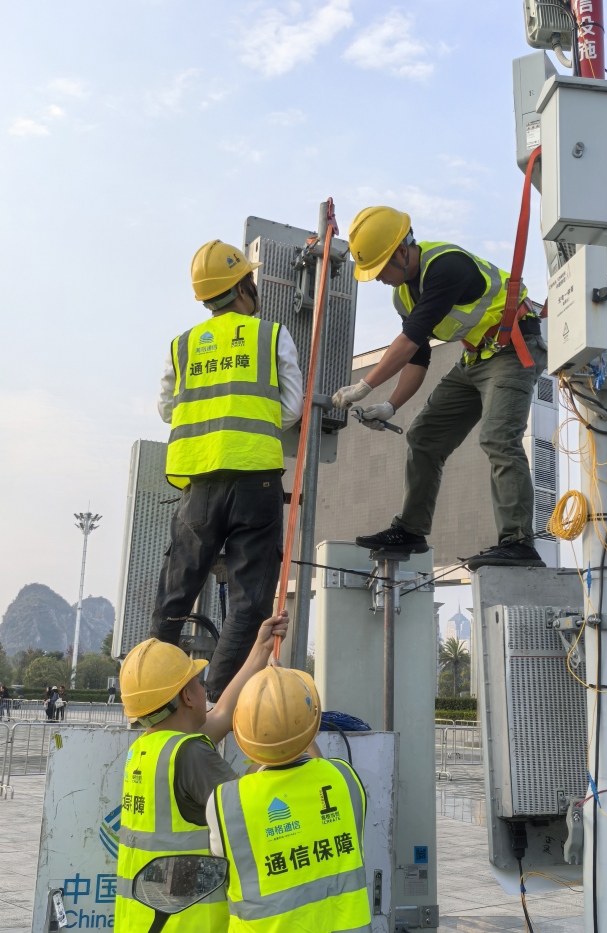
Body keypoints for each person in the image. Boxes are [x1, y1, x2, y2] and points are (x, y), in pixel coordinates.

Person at [332, 206, 548, 569]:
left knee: (498, 438)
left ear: (402, 252)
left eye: (380, 267)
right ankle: (410, 530)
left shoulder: (446, 266)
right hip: (476, 359)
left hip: (513, 349)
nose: (378, 278)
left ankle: (518, 542)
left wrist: (365, 386)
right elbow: (417, 357)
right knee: (424, 436)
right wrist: (391, 406)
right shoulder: (403, 296)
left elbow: (408, 341)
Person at [151, 240, 303, 702]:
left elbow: (166, 409)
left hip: (198, 485)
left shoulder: (182, 346)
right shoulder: (271, 335)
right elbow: (293, 408)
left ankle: (154, 694)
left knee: (176, 593)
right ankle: (217, 700)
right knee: (249, 600)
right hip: (256, 479)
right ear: (242, 287)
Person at [114, 611, 289, 932]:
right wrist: (278, 732)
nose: (202, 686)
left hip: (146, 923)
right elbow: (249, 809)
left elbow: (222, 713)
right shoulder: (190, 753)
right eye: (197, 681)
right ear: (187, 696)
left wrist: (261, 650)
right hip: (187, 923)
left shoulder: (149, 749)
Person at [208, 666, 372, 932]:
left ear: (241, 733)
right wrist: (295, 721)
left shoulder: (225, 802)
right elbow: (318, 769)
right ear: (313, 725)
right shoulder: (344, 778)